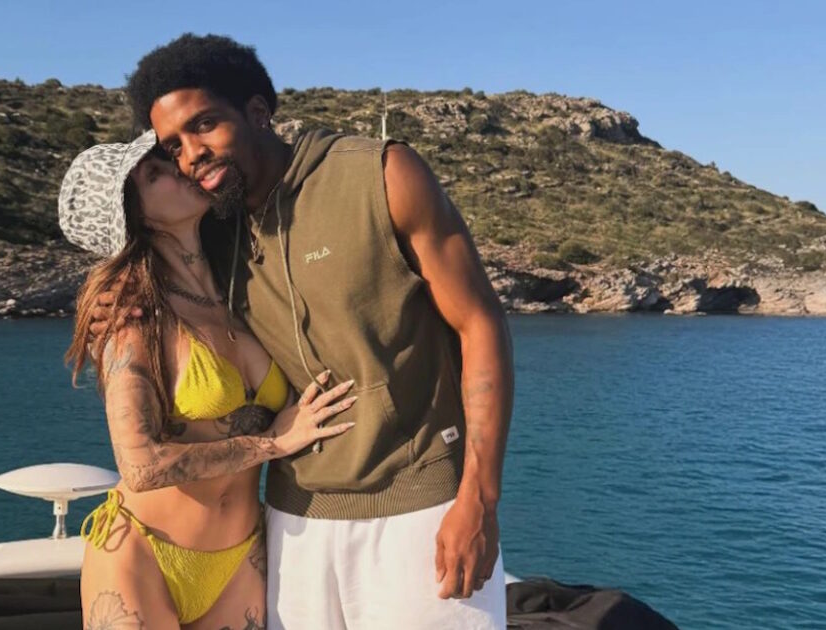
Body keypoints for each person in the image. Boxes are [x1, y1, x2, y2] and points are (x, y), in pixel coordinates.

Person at [92, 34, 516, 629]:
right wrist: (114, 297)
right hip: (295, 521)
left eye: (205, 124)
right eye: (172, 147)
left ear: (258, 112)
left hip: (418, 506)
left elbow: (481, 324)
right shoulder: (215, 224)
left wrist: (480, 499)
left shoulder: (379, 176)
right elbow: (140, 244)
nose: (190, 156)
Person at [58, 130, 358, 629]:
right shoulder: (135, 317)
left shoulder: (243, 286)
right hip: (142, 555)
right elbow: (141, 466)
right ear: (136, 216)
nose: (179, 170)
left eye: (168, 160)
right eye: (155, 174)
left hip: (239, 554)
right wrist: (272, 443)